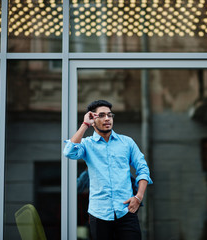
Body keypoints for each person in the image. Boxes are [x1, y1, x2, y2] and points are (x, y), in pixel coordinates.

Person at [63, 100, 153, 240]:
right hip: (99, 214)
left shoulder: (127, 142)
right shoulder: (87, 144)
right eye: (102, 115)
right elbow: (69, 152)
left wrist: (139, 197)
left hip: (126, 211)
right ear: (93, 119)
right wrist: (85, 124)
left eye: (110, 115)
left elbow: (143, 169)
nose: (107, 119)